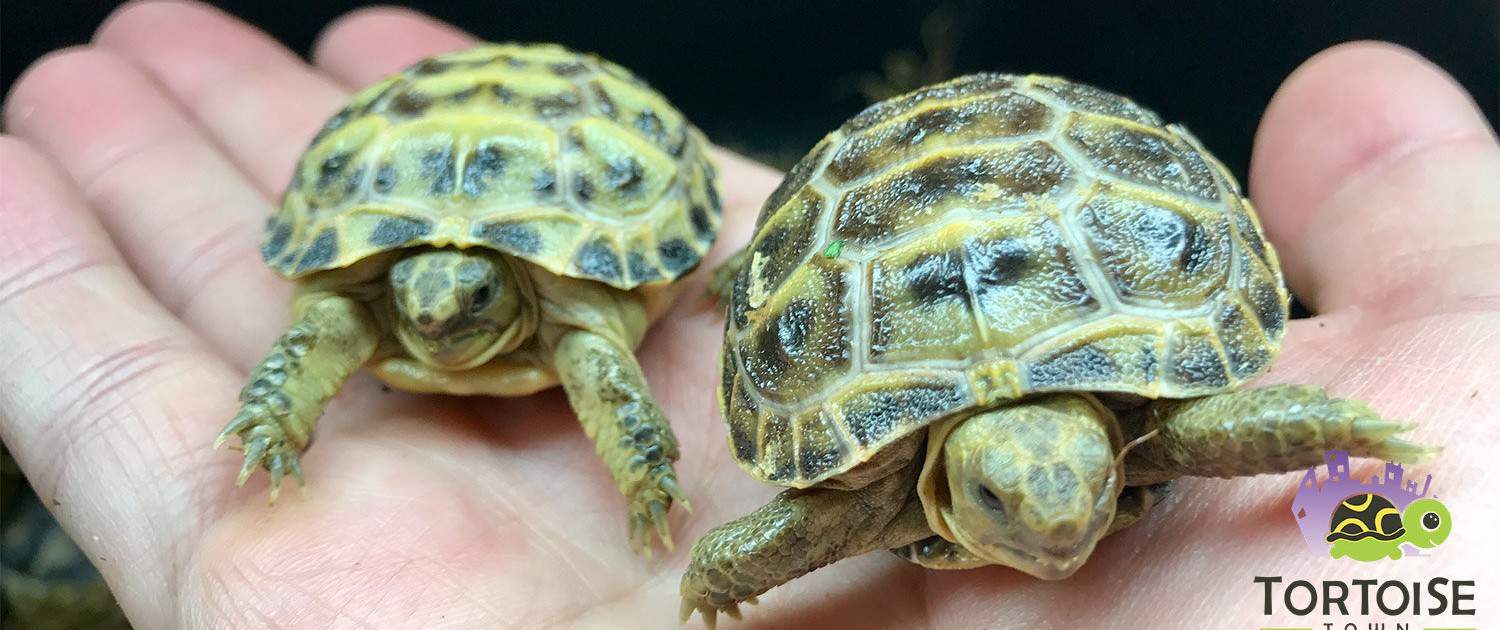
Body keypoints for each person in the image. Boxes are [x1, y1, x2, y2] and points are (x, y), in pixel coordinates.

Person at [1, 4, 1495, 628]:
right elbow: (748, 546)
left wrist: (1410, 540)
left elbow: (1330, 447)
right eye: (1013, 497)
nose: (1052, 527)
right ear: (941, 482)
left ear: (1123, 456)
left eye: (1080, 490)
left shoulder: (1189, 436)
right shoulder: (865, 498)